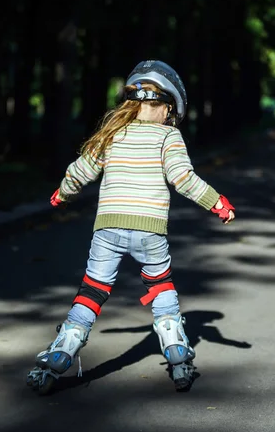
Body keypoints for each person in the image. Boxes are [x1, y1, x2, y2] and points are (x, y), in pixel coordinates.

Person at [28, 60, 235, 392]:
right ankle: (175, 350)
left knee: (92, 290)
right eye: (169, 111)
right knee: (161, 286)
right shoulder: (170, 137)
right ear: (167, 107)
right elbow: (182, 178)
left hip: (107, 229)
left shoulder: (112, 134)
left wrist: (61, 194)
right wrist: (217, 202)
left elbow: (81, 169)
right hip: (149, 229)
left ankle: (65, 346)